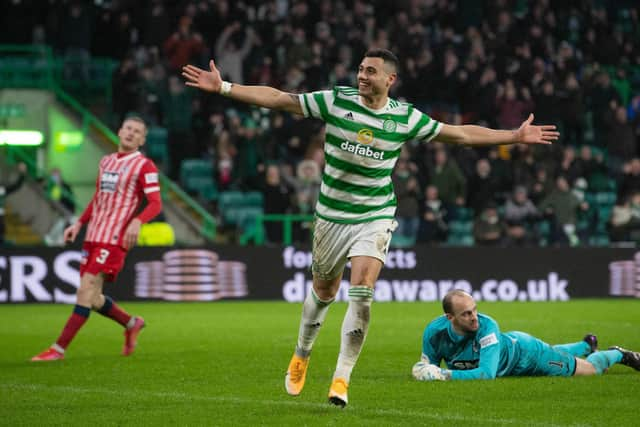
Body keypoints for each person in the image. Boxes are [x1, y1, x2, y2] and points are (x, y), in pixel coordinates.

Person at [182, 49, 559, 407]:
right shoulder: (336, 101)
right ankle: (302, 353)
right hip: (331, 216)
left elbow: (459, 134)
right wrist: (225, 88)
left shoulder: (405, 117)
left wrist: (512, 136)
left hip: (375, 214)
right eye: (361, 70)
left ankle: (341, 378)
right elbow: (282, 99)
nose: (362, 76)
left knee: (362, 293)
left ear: (390, 79)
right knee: (324, 291)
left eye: (370, 71)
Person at [31, 117, 163, 361]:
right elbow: (99, 199)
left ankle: (57, 350)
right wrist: (79, 223)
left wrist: (136, 221)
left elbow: (155, 203)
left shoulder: (144, 166)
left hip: (114, 239)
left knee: (85, 290)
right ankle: (132, 323)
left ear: (142, 139)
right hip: (93, 236)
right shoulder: (106, 162)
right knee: (92, 298)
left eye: (137, 132)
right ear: (120, 131)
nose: (131, 134)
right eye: (128, 129)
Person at [412, 290, 640, 381]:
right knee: (558, 351)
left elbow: (487, 374)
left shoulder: (487, 327)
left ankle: (618, 354)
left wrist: (443, 375)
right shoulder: (434, 333)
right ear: (450, 317)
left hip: (527, 355)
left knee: (589, 371)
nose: (475, 317)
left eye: (475, 309)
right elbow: (427, 368)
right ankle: (586, 345)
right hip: (513, 353)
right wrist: (426, 372)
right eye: (466, 314)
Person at [0, 162, 26, 245]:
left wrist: (22, 174)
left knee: (2, 231)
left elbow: (16, 186)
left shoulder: (1, 190)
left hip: (0, 217)